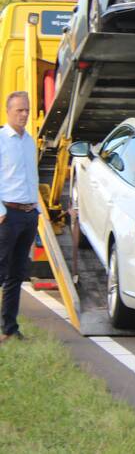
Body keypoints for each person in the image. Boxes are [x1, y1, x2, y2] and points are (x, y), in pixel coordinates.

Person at [0, 92, 39, 342]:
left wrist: (37, 209)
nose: (24, 114)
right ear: (8, 111)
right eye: (19, 110)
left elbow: (31, 176)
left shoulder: (29, 141)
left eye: (26, 110)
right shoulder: (1, 139)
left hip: (28, 214)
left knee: (17, 274)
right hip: (7, 214)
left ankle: (10, 329)